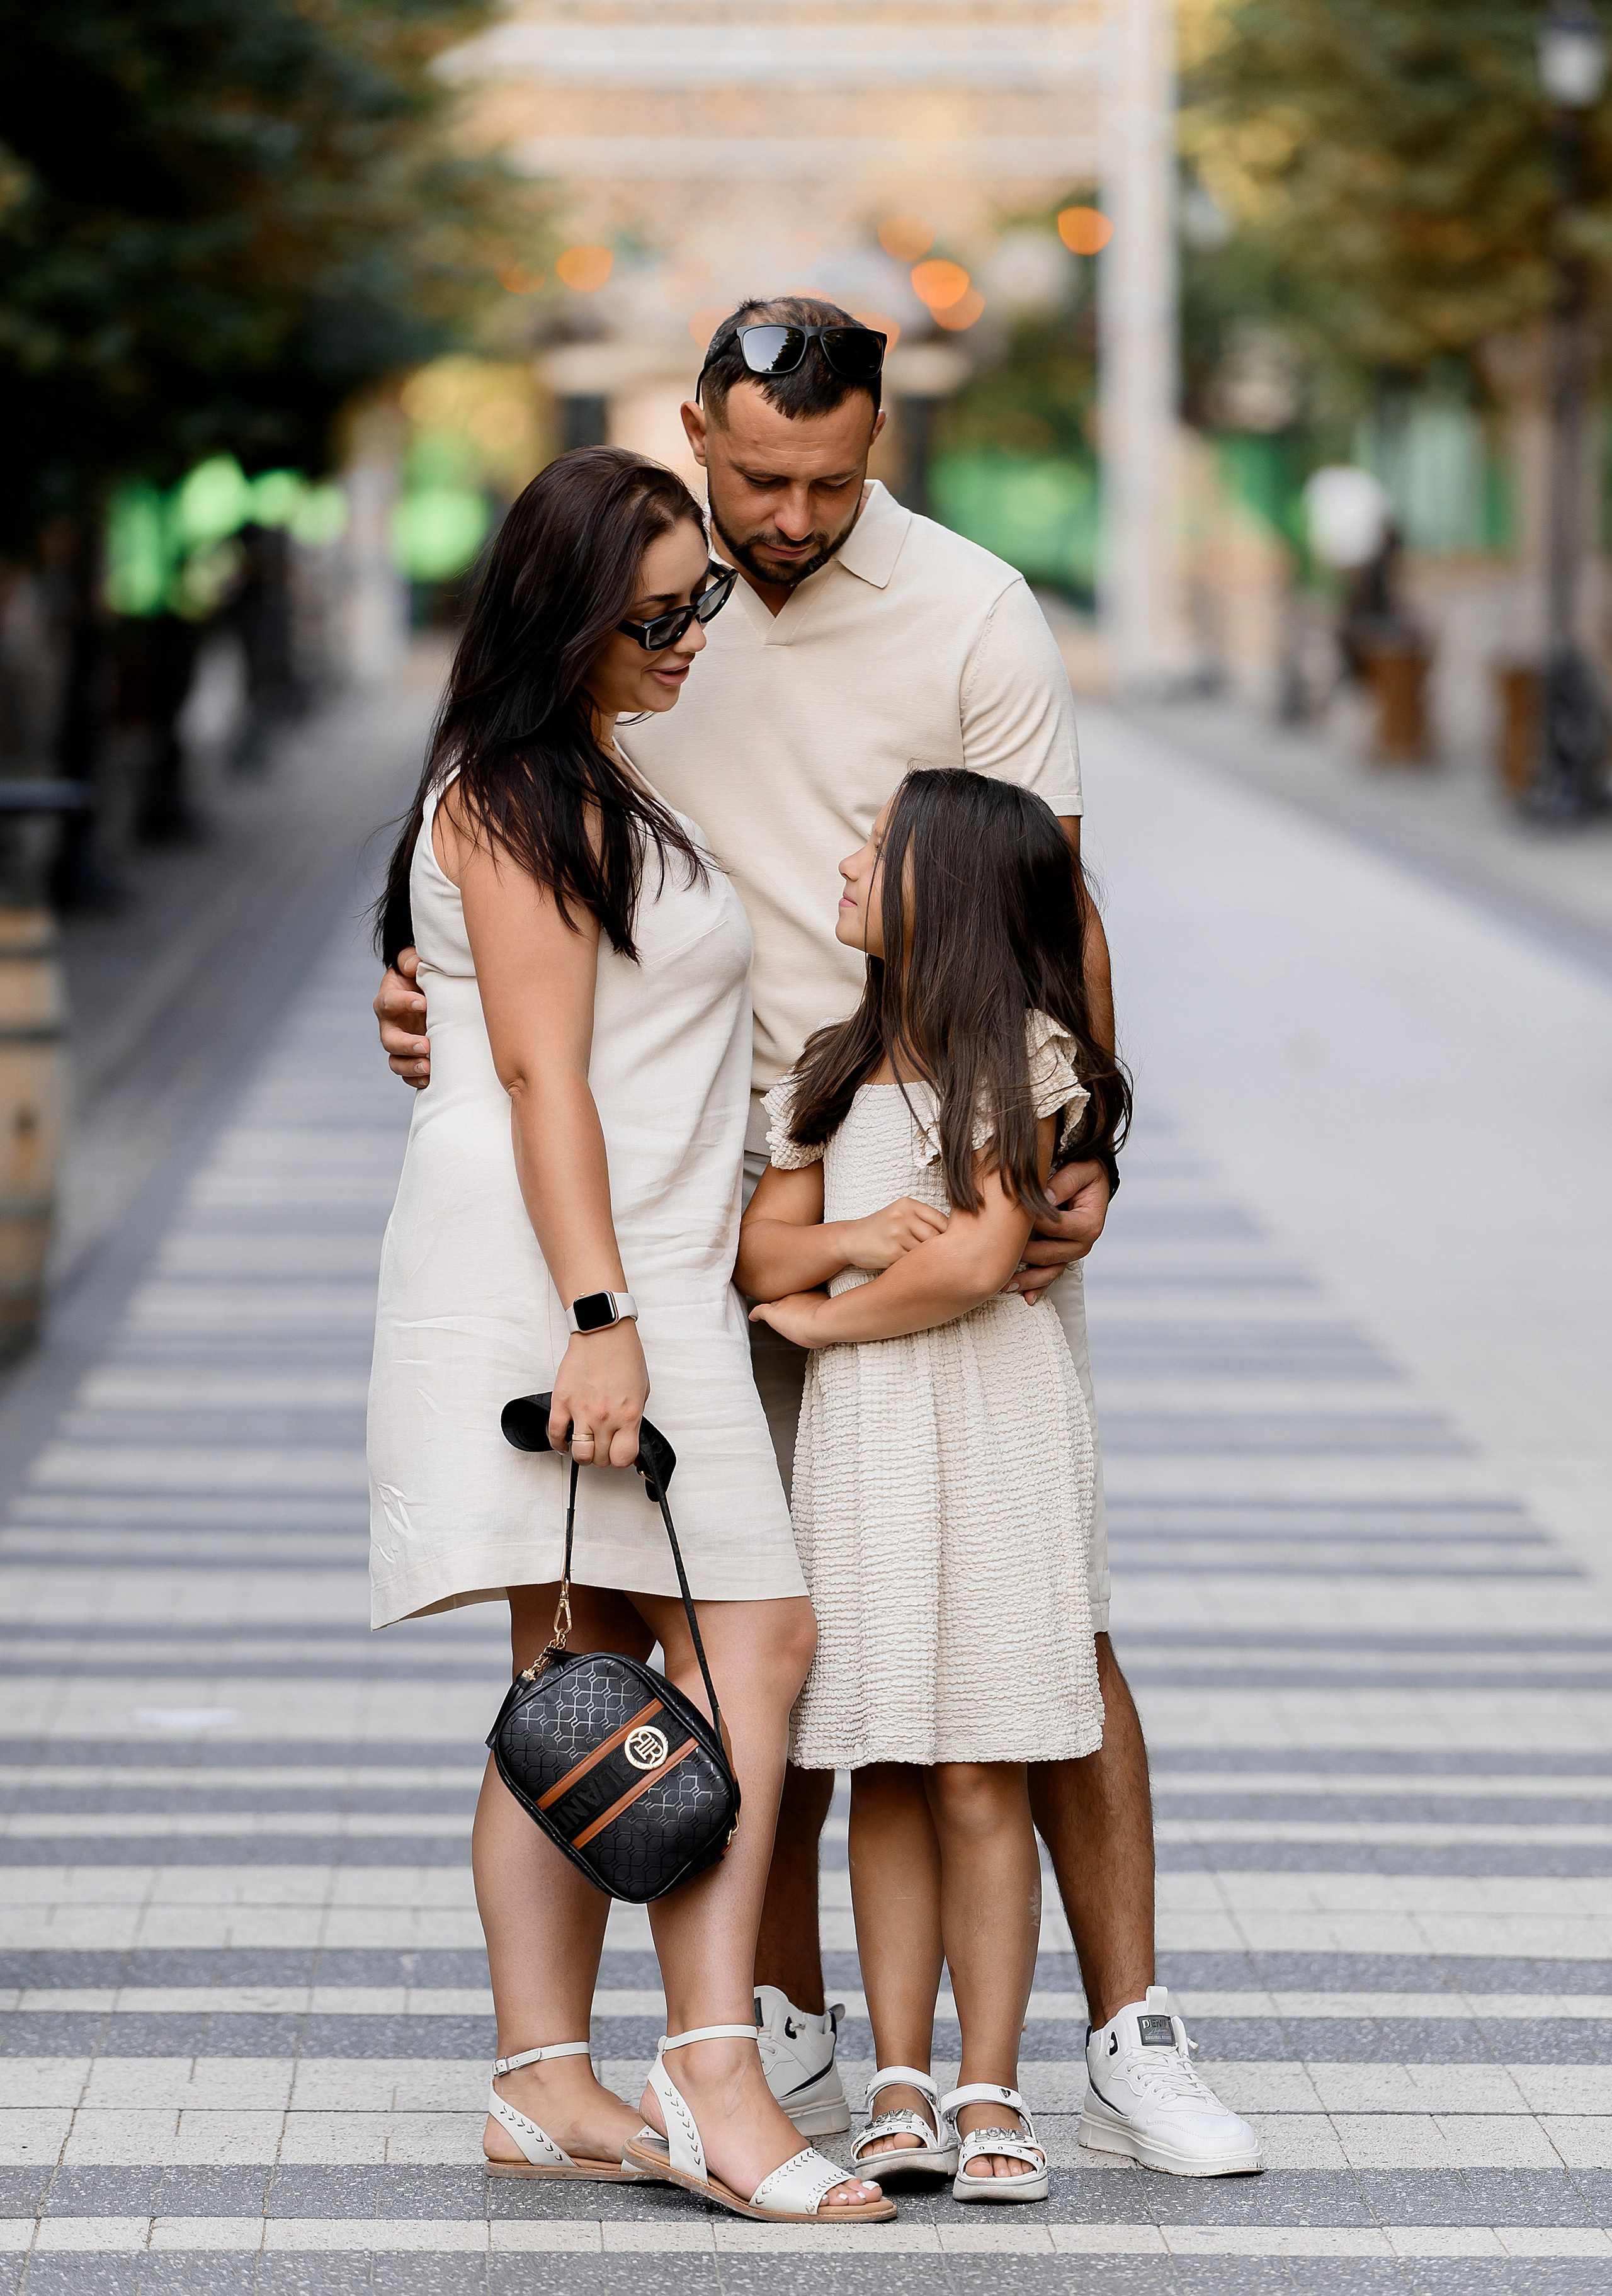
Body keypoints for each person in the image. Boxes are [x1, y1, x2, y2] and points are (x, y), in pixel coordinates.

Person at [375, 296, 1262, 2176]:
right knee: (690, 1635)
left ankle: (1123, 2028)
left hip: (928, 1144)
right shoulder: (636, 610)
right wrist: (439, 1009)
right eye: (758, 477)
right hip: (696, 1201)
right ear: (692, 428)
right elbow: (508, 912)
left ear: (883, 445)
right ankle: (759, 2025)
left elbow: (1056, 884)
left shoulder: (971, 607)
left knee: (1036, 1606)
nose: (789, 516)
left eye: (833, 479)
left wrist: (1089, 1114)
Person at [366, 445, 889, 2224]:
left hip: (626, 1260)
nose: (685, 637)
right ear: (567, 612)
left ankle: (540, 2080)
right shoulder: (523, 793)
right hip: (577, 1276)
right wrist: (602, 1316)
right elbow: (537, 1073)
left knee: (575, 1683)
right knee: (761, 1628)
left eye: (701, 604)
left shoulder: (586, 779)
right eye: (654, 612)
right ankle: (710, 2061)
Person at [737, 770, 1128, 2203]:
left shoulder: (1028, 1059)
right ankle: (893, 2077)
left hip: (994, 1428)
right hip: (870, 1448)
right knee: (885, 1753)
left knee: (984, 1758)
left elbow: (974, 1261)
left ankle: (987, 2080)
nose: (843, 863)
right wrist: (841, 1243)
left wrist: (831, 1316)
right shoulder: (829, 1066)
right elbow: (758, 1252)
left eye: (875, 848)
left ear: (943, 894)